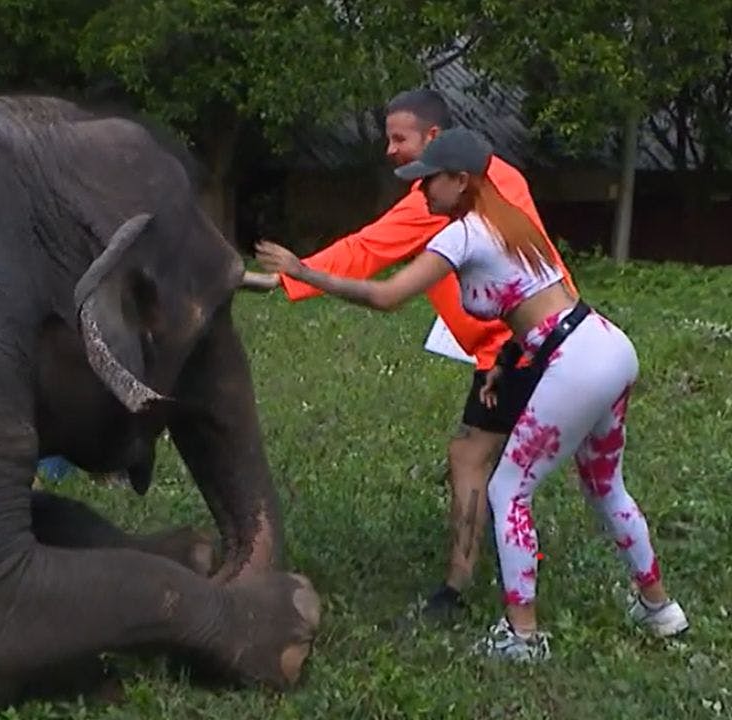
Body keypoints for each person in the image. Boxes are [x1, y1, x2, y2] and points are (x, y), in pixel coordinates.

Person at [254, 126, 689, 660]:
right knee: (606, 488)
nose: (421, 193)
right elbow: (534, 305)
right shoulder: (511, 223)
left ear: (460, 181)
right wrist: (505, 361)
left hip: (573, 361)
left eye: (428, 182)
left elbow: (387, 295)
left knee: (508, 490)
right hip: (603, 346)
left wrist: (305, 272)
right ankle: (661, 609)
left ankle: (523, 636)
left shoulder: (463, 235)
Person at [247, 88, 578, 619]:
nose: (390, 151)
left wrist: (291, 275)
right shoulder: (500, 175)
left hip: (519, 348)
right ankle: (649, 594)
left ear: (434, 142)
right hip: (565, 335)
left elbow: (371, 255)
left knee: (472, 459)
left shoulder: (451, 196)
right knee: (571, 471)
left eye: (398, 139)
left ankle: (464, 592)